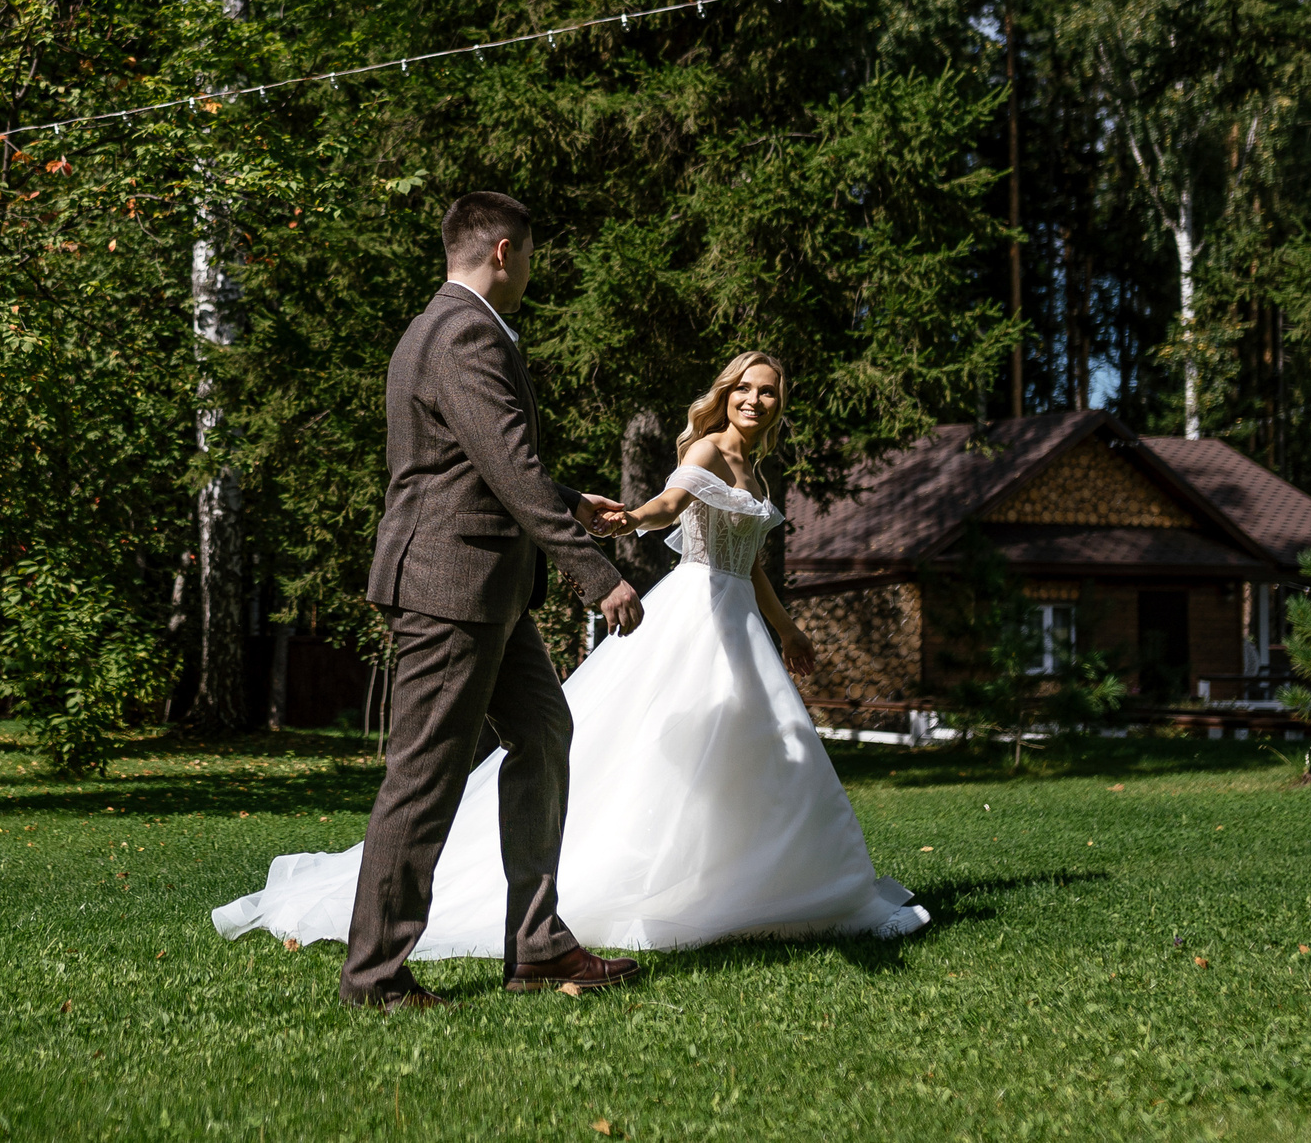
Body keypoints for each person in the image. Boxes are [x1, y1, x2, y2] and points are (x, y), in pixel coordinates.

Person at [214, 344, 930, 972]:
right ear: (724, 394)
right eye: (743, 386)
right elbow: (670, 504)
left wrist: (790, 632)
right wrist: (631, 517)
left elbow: (756, 567)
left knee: (762, 753)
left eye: (766, 390)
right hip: (696, 616)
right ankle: (651, 885)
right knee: (662, 748)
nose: (753, 398)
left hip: (742, 619)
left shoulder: (762, 474)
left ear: (777, 403)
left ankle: (759, 881)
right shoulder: (708, 451)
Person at [283, 191, 644, 1009]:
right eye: (533, 258)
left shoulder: (439, 327)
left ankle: (538, 946)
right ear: (506, 252)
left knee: (544, 731)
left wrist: (568, 497)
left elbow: (477, 460)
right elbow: (507, 465)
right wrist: (599, 573)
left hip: (487, 587)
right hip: (452, 588)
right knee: (424, 780)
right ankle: (375, 977)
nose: (532, 274)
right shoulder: (466, 330)